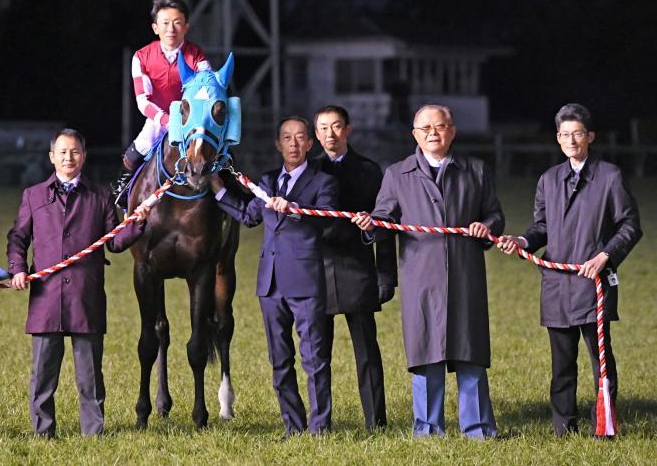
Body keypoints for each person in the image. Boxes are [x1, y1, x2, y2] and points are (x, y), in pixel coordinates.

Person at [352, 105, 505, 439]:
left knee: (470, 350)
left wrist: (487, 226)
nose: (433, 133)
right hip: (420, 277)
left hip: (465, 276)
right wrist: (370, 225)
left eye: (440, 126)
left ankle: (478, 428)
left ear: (453, 130)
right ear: (414, 135)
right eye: (426, 128)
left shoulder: (475, 171)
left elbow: (495, 215)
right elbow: (383, 219)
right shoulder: (398, 174)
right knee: (425, 353)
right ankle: (428, 428)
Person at [497, 103, 642, 436]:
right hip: (557, 286)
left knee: (600, 360)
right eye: (565, 134)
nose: (571, 140)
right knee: (561, 363)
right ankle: (564, 426)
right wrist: (521, 240)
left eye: (578, 133)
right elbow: (542, 227)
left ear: (590, 136)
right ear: (557, 138)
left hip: (594, 283)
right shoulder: (549, 179)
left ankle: (603, 425)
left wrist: (605, 256)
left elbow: (630, 225)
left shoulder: (609, 176)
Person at [7, 129, 149, 438]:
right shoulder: (33, 195)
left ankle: (92, 432)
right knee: (43, 373)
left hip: (85, 297)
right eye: (62, 152)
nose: (68, 157)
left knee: (90, 375)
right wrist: (17, 267)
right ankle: (43, 432)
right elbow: (18, 237)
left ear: (83, 156)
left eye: (74, 152)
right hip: (46, 298)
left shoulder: (100, 196)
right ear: (51, 157)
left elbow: (115, 241)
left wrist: (137, 222)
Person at [210, 116, 336, 438]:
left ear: (310, 144)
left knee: (314, 359)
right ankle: (293, 425)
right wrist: (216, 187)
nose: (293, 144)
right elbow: (247, 216)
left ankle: (320, 428)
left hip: (305, 281)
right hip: (270, 284)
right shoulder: (266, 182)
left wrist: (292, 208)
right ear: (278, 144)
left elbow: (326, 222)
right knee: (280, 360)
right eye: (286, 138)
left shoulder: (323, 182)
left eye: (300, 138)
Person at [312, 105, 396, 431]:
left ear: (348, 129)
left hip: (357, 270)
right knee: (318, 356)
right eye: (323, 128)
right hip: (316, 272)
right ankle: (321, 424)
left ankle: (376, 422)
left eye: (336, 127)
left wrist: (386, 274)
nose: (330, 134)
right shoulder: (309, 171)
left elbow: (387, 223)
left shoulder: (369, 170)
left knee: (367, 351)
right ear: (316, 134)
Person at [111, 0, 211, 205]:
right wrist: (167, 121)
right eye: (165, 23)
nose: (171, 29)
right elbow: (143, 102)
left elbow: (208, 92)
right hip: (160, 120)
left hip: (191, 122)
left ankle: (229, 198)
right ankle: (121, 190)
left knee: (217, 153)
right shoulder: (141, 57)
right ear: (155, 28)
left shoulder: (197, 56)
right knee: (139, 148)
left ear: (186, 27)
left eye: (177, 23)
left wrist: (189, 121)